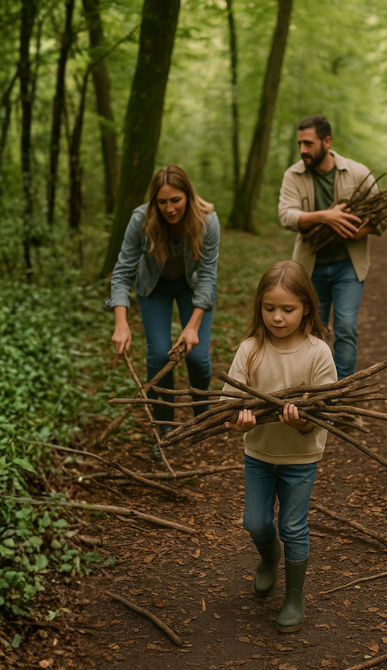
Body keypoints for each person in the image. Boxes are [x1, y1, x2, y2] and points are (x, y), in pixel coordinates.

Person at [223, 260, 337, 633]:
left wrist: (302, 420)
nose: (277, 317)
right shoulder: (250, 349)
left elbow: (324, 416)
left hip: (301, 457)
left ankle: (294, 596)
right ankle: (269, 556)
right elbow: (230, 405)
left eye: (287, 309)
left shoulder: (318, 353)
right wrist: (238, 419)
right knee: (255, 522)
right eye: (269, 308)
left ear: (306, 306)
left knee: (293, 526)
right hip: (259, 452)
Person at [109, 165, 220, 433]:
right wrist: (121, 323)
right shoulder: (140, 220)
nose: (169, 208)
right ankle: (164, 426)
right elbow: (122, 273)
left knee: (198, 358)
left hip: (192, 288)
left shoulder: (207, 221)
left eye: (175, 200)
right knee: (159, 357)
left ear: (188, 196)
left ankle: (201, 413)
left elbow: (206, 277)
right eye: (162, 202)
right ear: (154, 201)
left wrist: (192, 327)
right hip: (154, 288)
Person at [278, 114, 383, 381]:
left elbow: (380, 216)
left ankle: (343, 390)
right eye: (300, 143)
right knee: (314, 330)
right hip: (309, 268)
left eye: (309, 143)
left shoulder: (358, 172)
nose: (303, 149)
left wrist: (360, 231)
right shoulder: (293, 175)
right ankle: (317, 388)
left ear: (327, 142)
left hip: (348, 265)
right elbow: (286, 216)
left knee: (346, 326)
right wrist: (326, 216)